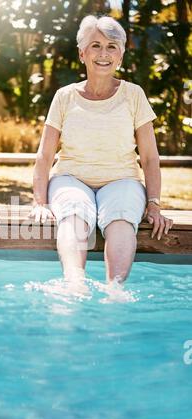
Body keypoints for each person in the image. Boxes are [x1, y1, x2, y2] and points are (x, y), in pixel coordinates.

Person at [30, 14, 173, 285]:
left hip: (122, 180)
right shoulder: (64, 96)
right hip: (71, 178)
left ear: (120, 56)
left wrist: (153, 204)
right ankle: (74, 285)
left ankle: (115, 291)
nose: (103, 53)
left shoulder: (134, 94)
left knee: (120, 219)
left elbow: (150, 157)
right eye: (95, 45)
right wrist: (40, 201)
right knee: (73, 214)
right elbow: (45, 155)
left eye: (111, 47)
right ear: (82, 53)